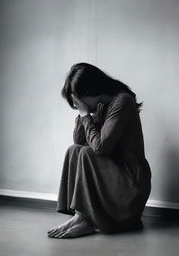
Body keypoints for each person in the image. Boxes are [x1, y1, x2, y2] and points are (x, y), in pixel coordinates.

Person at [48, 63, 151, 239]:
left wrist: (86, 116)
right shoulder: (100, 105)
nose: (78, 106)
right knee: (74, 150)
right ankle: (81, 217)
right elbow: (79, 141)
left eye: (79, 100)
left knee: (88, 153)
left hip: (130, 186)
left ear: (92, 91)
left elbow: (100, 148)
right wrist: (84, 115)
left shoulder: (122, 101)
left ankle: (83, 218)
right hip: (114, 179)